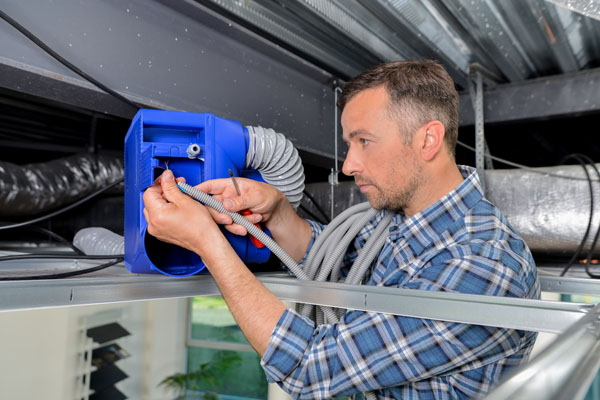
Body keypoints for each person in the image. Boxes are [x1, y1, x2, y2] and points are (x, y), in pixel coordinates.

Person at [143, 60, 540, 399]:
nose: (348, 165)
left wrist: (208, 245)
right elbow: (336, 262)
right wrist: (280, 212)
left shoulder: (483, 264)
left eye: (364, 141)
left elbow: (311, 365)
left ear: (428, 140)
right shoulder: (407, 218)